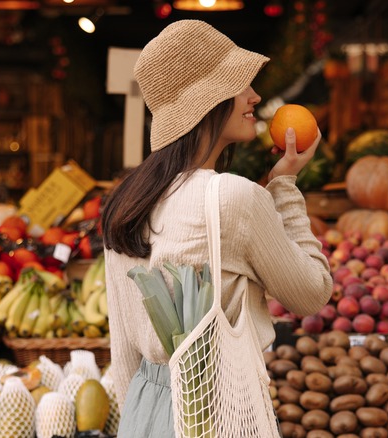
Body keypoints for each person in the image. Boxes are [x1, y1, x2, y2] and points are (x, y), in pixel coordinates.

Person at [101, 19, 333, 437]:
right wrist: (285, 184)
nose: (255, 96)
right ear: (207, 100)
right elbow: (312, 292)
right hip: (220, 407)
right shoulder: (233, 198)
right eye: (240, 82)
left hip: (145, 408)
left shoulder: (127, 203)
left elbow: (124, 352)